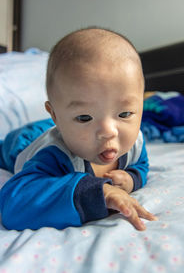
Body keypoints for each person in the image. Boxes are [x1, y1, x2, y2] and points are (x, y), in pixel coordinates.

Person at [0, 27, 158, 231]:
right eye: (85, 117)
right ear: (55, 115)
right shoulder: (54, 156)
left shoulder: (135, 142)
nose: (109, 132)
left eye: (125, 114)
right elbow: (15, 205)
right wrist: (98, 194)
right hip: (25, 140)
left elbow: (141, 164)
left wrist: (133, 178)